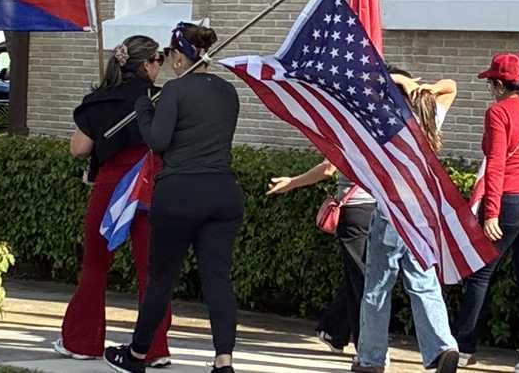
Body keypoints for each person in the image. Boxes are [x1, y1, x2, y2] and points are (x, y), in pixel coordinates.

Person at [105, 21, 244, 373]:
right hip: (223, 192)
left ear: (181, 57)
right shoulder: (229, 92)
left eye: (171, 57)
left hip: (180, 192)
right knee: (217, 280)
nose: (169, 64)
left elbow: (159, 141)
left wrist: (144, 110)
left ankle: (136, 355)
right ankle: (223, 360)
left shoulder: (174, 91)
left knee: (162, 278)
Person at [54, 35, 172, 365]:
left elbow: (79, 149)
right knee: (152, 269)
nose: (160, 66)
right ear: (147, 64)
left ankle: (82, 341)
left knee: (95, 265)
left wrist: (100, 107)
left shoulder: (98, 100)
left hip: (111, 186)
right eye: (158, 60)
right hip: (151, 184)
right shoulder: (162, 99)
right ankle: (153, 348)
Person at [454, 53, 519, 373]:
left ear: (500, 84)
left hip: (511, 201)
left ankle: (464, 347)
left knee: (480, 273)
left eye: (491, 82)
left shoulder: (498, 112)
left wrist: (490, 213)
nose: (490, 87)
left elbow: (496, 165)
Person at [353, 67, 460, 373]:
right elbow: (450, 85)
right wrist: (417, 86)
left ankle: (371, 358)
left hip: (392, 214)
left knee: (377, 288)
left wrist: (399, 83)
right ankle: (443, 346)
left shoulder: (383, 123)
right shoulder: (428, 119)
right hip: (423, 216)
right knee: (424, 284)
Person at [267, 157, 374, 354]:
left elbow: (327, 169)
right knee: (367, 279)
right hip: (386, 212)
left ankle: (340, 333)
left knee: (361, 279)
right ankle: (362, 346)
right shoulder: (393, 130)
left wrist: (292, 182)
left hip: (356, 211)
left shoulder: (348, 130)